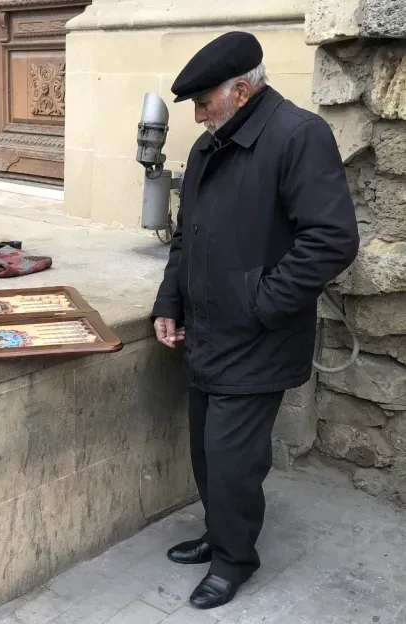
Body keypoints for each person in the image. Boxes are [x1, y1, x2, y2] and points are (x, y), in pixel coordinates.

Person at [151, 32, 359, 610]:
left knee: (233, 460)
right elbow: (184, 239)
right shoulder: (207, 147)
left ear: (241, 91)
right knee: (204, 450)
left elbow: (332, 240)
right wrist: (169, 302)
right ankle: (221, 535)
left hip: (259, 338)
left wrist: (261, 302)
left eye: (202, 103)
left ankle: (235, 560)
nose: (197, 117)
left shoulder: (299, 136)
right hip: (206, 333)